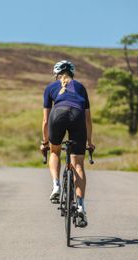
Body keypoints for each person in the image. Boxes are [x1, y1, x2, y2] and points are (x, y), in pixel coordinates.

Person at [40, 60, 95, 227]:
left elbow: (45, 120)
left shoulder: (50, 88)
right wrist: (90, 142)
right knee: (78, 165)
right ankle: (80, 206)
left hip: (57, 115)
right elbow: (88, 119)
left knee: (55, 151)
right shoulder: (81, 87)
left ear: (56, 75)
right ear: (73, 74)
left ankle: (56, 186)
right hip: (77, 116)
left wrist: (45, 142)